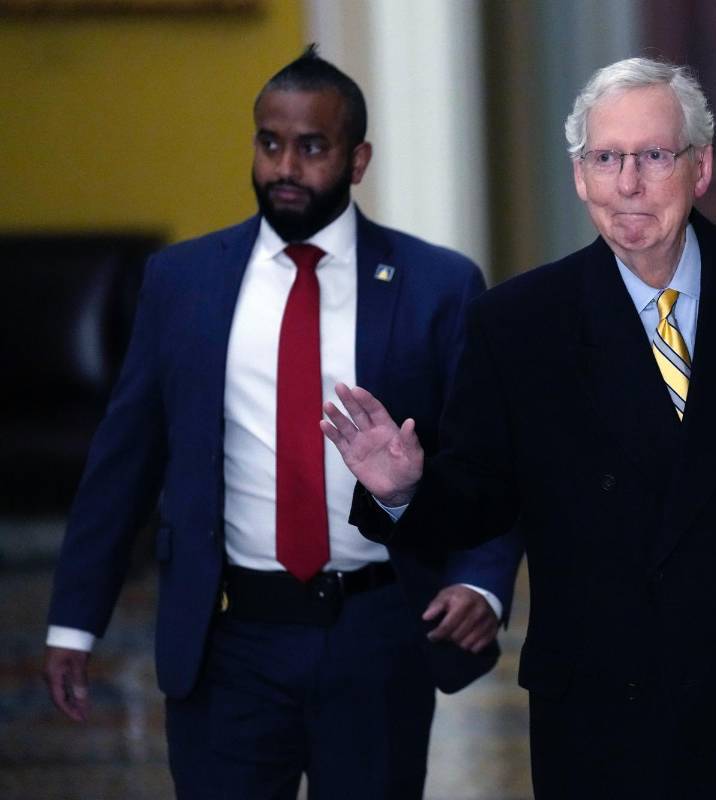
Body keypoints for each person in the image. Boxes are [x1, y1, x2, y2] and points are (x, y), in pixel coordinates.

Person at [323, 57, 716, 798]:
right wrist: (405, 489)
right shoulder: (519, 322)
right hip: (601, 706)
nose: (628, 184)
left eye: (653, 157)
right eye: (606, 158)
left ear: (700, 170)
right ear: (580, 177)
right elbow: (481, 497)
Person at [43, 48, 522, 799]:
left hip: (376, 630)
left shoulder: (438, 285)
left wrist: (481, 584)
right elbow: (124, 459)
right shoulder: (183, 281)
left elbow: (487, 457)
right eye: (271, 143)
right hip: (227, 636)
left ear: (357, 159)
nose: (285, 167)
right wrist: (75, 621)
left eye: (312, 146)